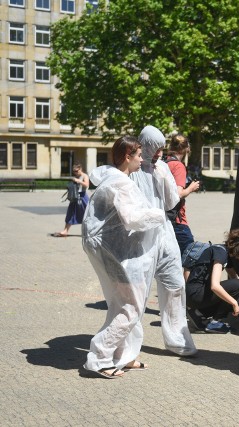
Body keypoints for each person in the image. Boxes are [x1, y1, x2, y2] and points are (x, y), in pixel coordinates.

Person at [82, 136, 165, 378]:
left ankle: (123, 356)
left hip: (116, 254)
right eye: (138, 155)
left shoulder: (112, 178)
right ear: (127, 157)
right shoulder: (121, 183)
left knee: (121, 305)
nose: (142, 159)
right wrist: (158, 214)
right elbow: (132, 218)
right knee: (131, 308)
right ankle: (100, 357)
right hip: (120, 257)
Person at [129, 125, 197, 357]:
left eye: (160, 148)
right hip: (142, 238)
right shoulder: (132, 171)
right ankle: (129, 346)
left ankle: (178, 339)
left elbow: (170, 201)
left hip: (165, 233)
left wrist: (164, 177)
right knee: (139, 291)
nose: (158, 153)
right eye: (154, 148)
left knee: (175, 284)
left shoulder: (162, 168)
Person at [185, 242, 239, 334]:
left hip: (194, 293)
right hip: (195, 294)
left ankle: (199, 313)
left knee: (237, 295)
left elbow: (233, 277)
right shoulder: (220, 252)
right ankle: (214, 323)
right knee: (238, 285)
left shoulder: (222, 250)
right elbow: (215, 286)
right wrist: (234, 303)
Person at [165, 133, 201, 261]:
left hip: (165, 218)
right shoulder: (178, 166)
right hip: (177, 219)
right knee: (191, 256)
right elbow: (178, 193)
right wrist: (191, 188)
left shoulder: (165, 163)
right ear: (186, 149)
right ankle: (189, 282)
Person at [55, 163, 89, 237]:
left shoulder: (84, 176)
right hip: (75, 197)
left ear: (81, 169)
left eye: (77, 171)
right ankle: (65, 231)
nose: (75, 173)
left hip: (83, 198)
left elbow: (86, 185)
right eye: (74, 171)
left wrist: (78, 181)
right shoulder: (76, 176)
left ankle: (89, 232)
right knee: (70, 213)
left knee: (87, 215)